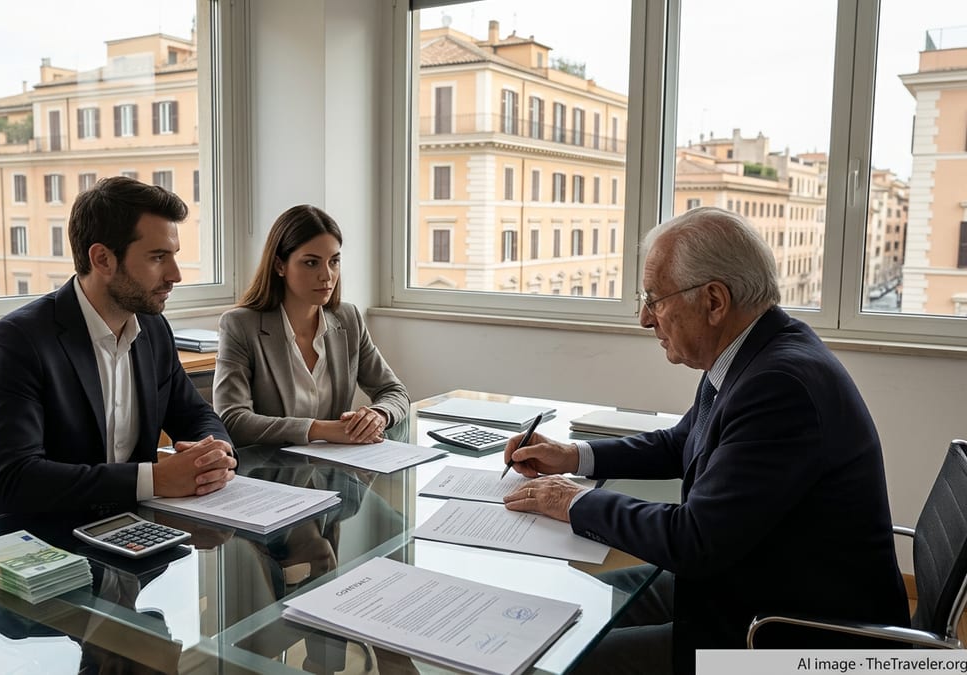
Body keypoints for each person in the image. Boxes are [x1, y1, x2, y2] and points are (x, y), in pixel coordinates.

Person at [501, 207, 908, 674]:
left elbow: (694, 539)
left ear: (714, 301)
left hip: (792, 634)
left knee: (565, 662)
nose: (643, 319)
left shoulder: (780, 385)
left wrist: (572, 503)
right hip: (750, 581)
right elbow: (682, 442)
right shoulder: (753, 351)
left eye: (654, 299)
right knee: (561, 615)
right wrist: (574, 455)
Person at [0, 176, 235, 521]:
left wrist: (215, 452)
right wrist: (155, 479)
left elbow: (195, 415)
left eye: (174, 256)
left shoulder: (152, 328)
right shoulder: (18, 341)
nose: (175, 274)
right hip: (24, 540)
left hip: (120, 528)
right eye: (157, 257)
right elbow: (14, 482)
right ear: (103, 259)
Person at [213, 204, 409, 447]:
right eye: (311, 263)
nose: (326, 275)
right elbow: (232, 420)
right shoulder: (241, 325)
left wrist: (378, 415)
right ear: (279, 266)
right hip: (270, 471)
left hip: (334, 470)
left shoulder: (348, 318)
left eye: (334, 262)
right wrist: (320, 429)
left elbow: (394, 391)